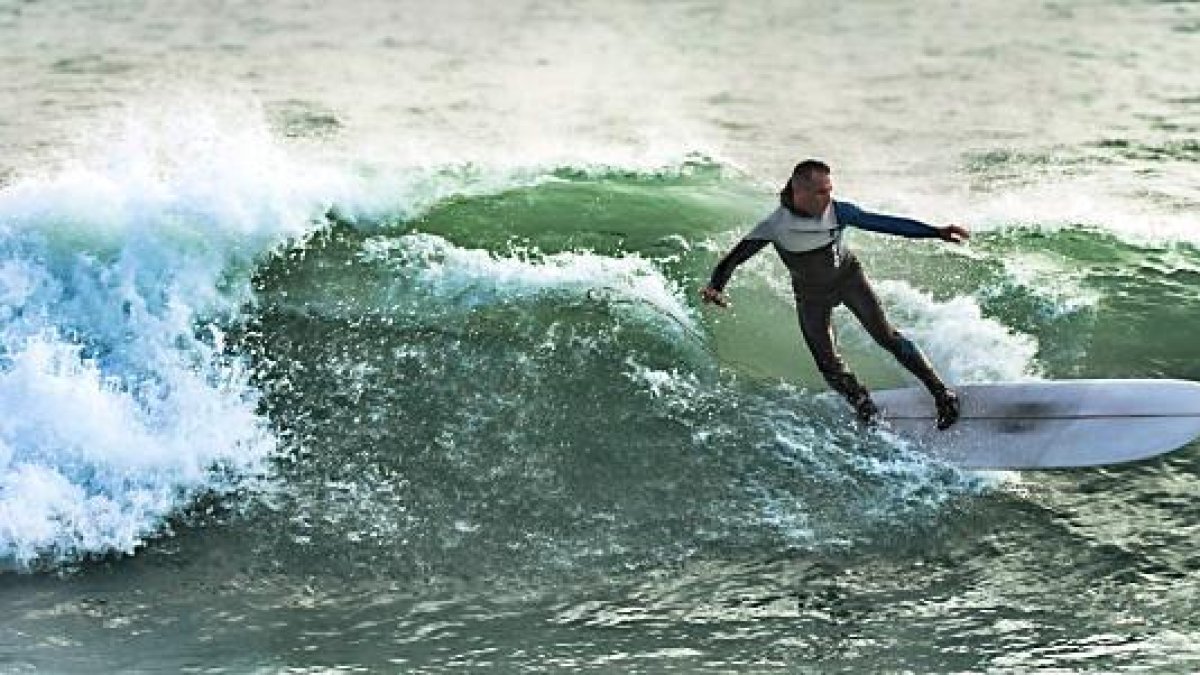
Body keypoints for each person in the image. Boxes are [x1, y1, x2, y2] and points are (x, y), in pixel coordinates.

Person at [700, 160, 969, 429]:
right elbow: (733, 259)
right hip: (811, 295)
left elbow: (883, 223)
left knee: (886, 336)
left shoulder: (838, 212)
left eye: (830, 189)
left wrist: (935, 232)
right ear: (799, 192)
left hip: (849, 280)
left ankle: (941, 393)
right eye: (821, 192)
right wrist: (716, 287)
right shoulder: (775, 226)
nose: (829, 197)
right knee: (827, 362)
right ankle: (861, 402)